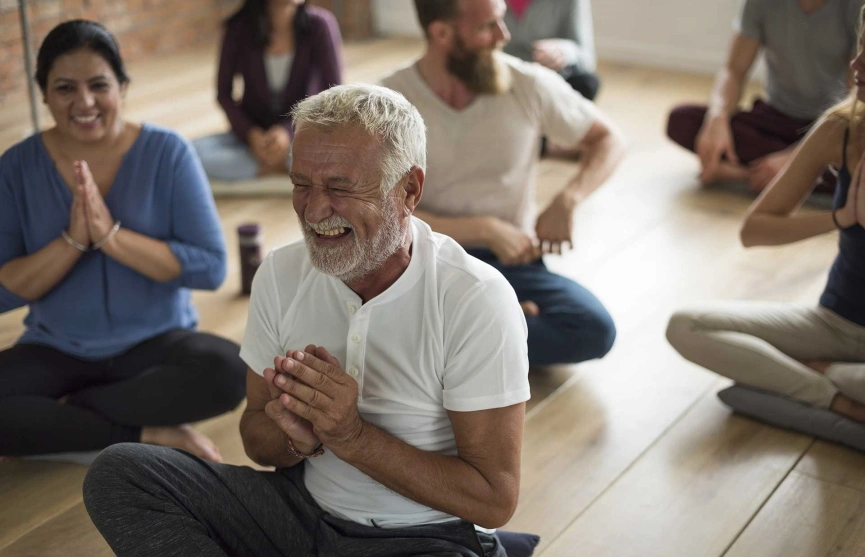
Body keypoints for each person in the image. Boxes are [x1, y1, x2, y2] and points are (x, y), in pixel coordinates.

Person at [83, 84, 530, 557]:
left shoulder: (474, 297)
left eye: (340, 187)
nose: (314, 211)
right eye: (301, 184)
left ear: (409, 190)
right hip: (298, 514)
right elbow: (256, 435)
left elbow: (493, 499)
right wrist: (297, 439)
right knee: (120, 473)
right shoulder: (281, 271)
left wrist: (353, 437)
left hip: (421, 539)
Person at [0, 20, 246, 462]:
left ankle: (65, 421)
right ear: (44, 94)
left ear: (122, 87)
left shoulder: (167, 152)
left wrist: (112, 238)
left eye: (99, 85)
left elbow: (210, 267)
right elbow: (2, 291)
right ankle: (145, 430)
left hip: (153, 346)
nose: (85, 102)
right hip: (56, 349)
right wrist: (72, 242)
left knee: (230, 371)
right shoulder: (16, 167)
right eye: (65, 89)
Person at [381, 0, 625, 366]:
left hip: (509, 261)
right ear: (441, 33)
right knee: (353, 308)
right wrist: (484, 228)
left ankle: (447, 340)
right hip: (416, 260)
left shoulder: (527, 83)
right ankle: (495, 328)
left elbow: (610, 139)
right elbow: (378, 208)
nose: (504, 36)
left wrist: (568, 199)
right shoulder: (389, 100)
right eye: (487, 26)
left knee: (593, 329)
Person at [666, 7, 865, 424]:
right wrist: (840, 218)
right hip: (836, 324)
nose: (856, 64)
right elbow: (754, 230)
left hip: (839, 350)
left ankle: (825, 373)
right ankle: (834, 395)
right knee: (686, 327)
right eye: (861, 46)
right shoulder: (840, 129)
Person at [666, 0, 863, 192]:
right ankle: (791, 177)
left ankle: (744, 174)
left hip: (831, 125)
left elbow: (851, 100)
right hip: (774, 118)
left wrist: (796, 157)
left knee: (857, 161)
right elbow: (733, 71)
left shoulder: (855, 6)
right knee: (682, 119)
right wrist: (717, 116)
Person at [192, 0, 343, 181]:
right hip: (252, 137)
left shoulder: (320, 25)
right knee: (186, 153)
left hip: (304, 134)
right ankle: (280, 166)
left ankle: (269, 166)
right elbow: (224, 94)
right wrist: (251, 134)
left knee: (339, 156)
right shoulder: (238, 29)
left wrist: (288, 132)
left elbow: (333, 93)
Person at [502, 0, 600, 101]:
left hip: (547, 78)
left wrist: (564, 51)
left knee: (587, 82)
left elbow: (587, 57)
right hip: (500, 73)